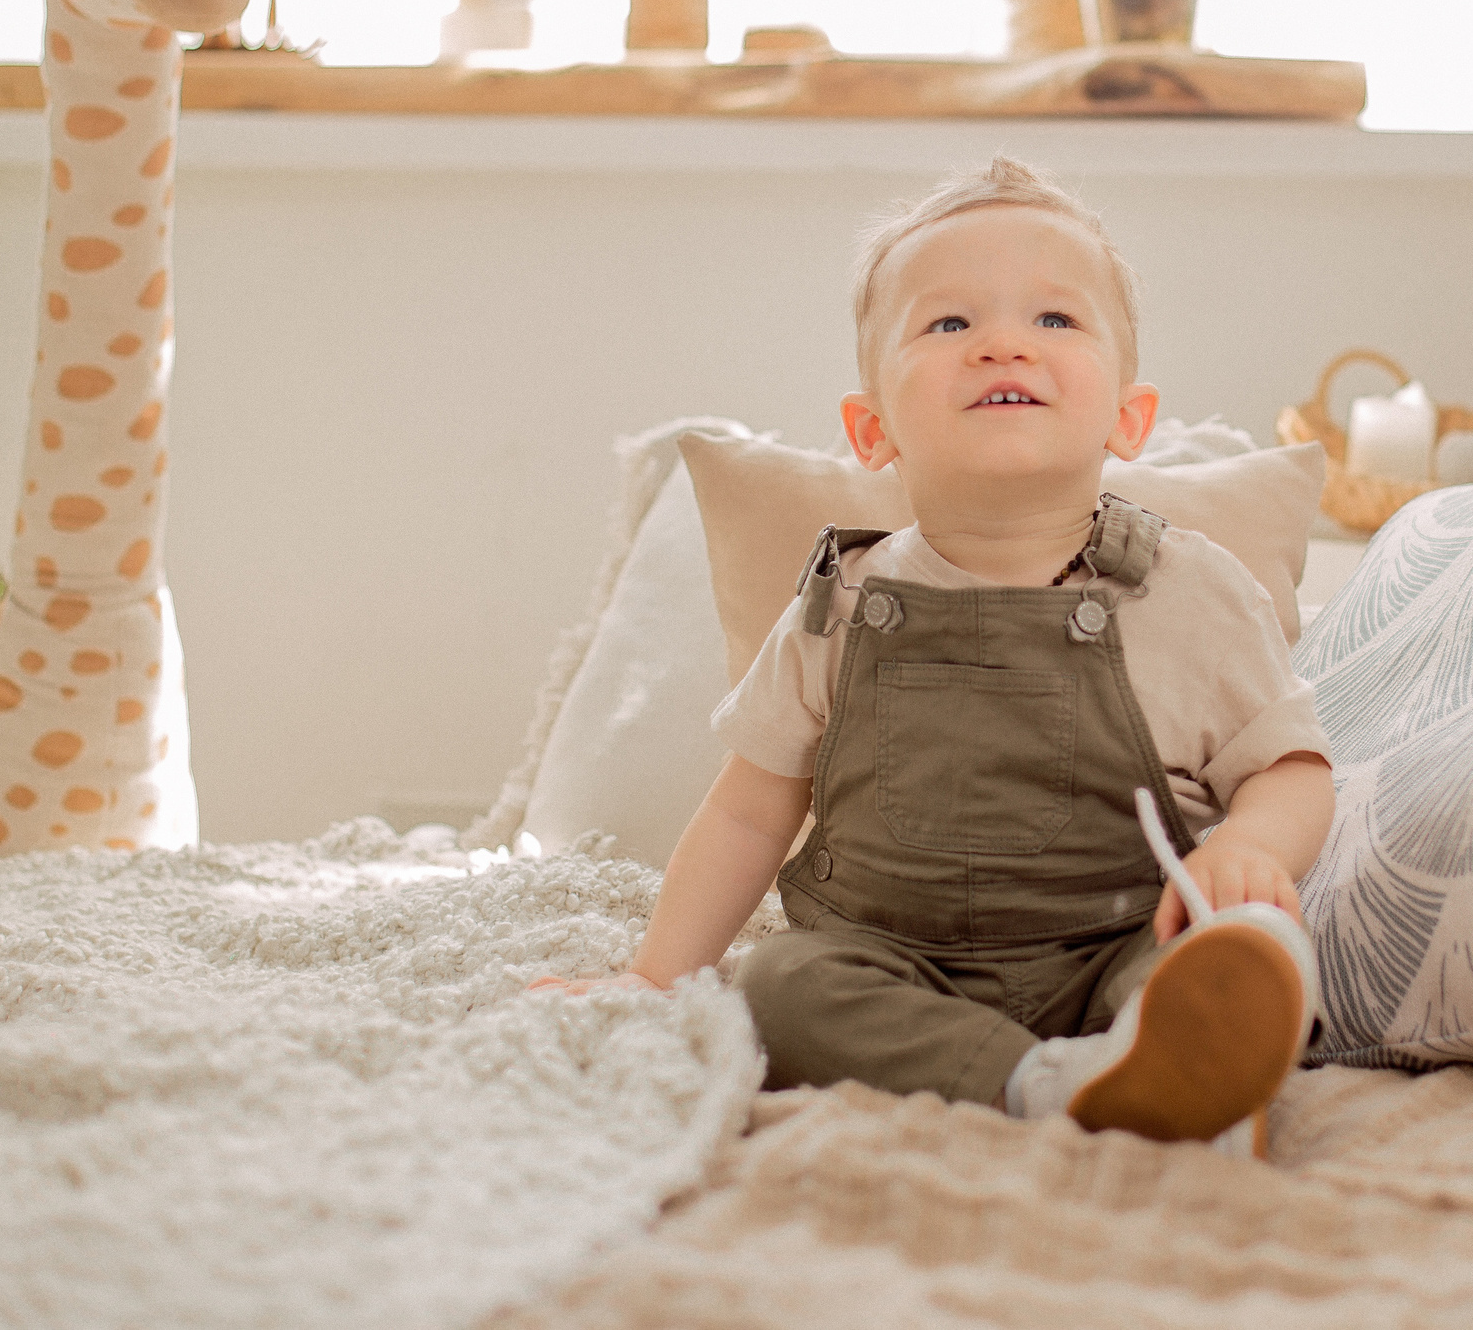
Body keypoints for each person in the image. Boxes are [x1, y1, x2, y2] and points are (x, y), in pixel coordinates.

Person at [560, 157, 1333, 1155]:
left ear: (1130, 418)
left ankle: (1185, 1058)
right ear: (871, 430)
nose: (1003, 344)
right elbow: (751, 808)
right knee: (778, 983)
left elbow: (1291, 768)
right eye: (949, 324)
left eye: (1054, 321)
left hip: (1127, 945)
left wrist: (1251, 848)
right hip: (896, 962)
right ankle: (1065, 1088)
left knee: (1246, 944)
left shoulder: (1195, 589)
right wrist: (652, 976)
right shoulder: (842, 604)